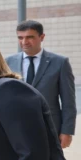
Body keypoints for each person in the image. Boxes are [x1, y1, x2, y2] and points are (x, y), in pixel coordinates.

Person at [6, 20, 76, 149]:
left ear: (42, 37)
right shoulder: (8, 62)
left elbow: (68, 102)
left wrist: (67, 131)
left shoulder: (60, 62)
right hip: (15, 129)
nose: (24, 42)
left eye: (30, 37)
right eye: (20, 37)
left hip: (49, 127)